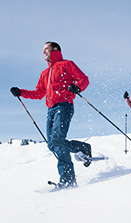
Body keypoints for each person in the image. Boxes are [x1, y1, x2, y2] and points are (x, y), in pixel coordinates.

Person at [10, 41, 92, 189]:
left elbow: (84, 79)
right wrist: (21, 92)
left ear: (54, 50)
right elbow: (38, 93)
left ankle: (68, 180)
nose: (43, 53)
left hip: (64, 105)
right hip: (51, 109)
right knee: (52, 144)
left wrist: (77, 87)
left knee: (57, 140)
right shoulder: (45, 73)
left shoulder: (67, 64)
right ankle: (83, 148)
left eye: (45, 49)